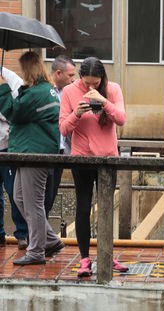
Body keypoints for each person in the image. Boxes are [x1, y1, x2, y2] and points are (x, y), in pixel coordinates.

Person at [59, 56, 128, 278]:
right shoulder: (70, 92)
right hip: (82, 158)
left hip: (108, 159)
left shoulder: (113, 89)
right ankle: (85, 259)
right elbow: (63, 129)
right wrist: (76, 113)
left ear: (102, 78)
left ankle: (107, 255)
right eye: (87, 82)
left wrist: (103, 100)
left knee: (106, 207)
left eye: (96, 83)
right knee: (83, 207)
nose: (90, 87)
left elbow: (121, 119)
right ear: (80, 77)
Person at [0, 51, 64, 266]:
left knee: (33, 203)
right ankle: (51, 240)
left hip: (35, 153)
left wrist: (2, 88)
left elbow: (14, 113)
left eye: (23, 70)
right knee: (19, 197)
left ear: (29, 70)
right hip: (31, 152)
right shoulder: (45, 90)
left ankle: (36, 251)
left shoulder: (38, 92)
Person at [0, 66, 28, 250]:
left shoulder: (10, 78)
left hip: (7, 145)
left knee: (14, 192)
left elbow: (17, 112)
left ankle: (22, 233)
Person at [44, 55, 75, 218]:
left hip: (61, 150)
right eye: (70, 75)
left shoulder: (70, 93)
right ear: (58, 73)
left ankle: (43, 234)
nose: (73, 80)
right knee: (42, 195)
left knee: (52, 194)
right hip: (46, 149)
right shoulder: (45, 91)